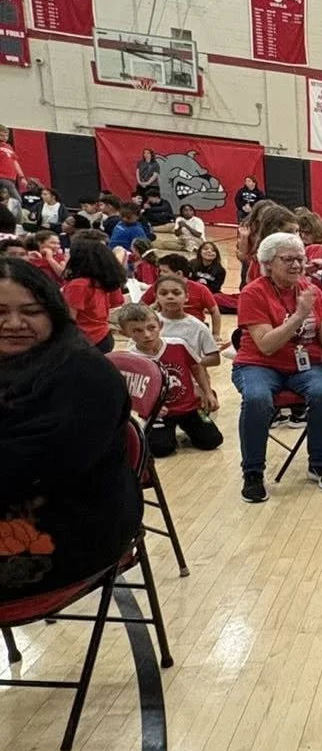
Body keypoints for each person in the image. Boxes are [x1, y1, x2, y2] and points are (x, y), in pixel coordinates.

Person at [0, 257, 141, 598]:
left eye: (31, 311)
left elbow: (27, 469)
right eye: (0, 312)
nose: (13, 323)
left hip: (71, 525)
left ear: (53, 311)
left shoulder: (83, 375)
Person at [233, 232, 322, 502]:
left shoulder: (311, 291)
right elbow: (266, 345)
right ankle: (253, 472)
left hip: (304, 364)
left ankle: (319, 462)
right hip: (258, 364)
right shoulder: (253, 293)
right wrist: (299, 315)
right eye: (288, 259)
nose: (296, 265)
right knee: (257, 399)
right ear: (268, 263)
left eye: (300, 259)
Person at [116, 301, 222, 455]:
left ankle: (189, 429)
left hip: (189, 407)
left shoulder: (178, 345)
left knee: (212, 441)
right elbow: (131, 392)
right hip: (158, 413)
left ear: (160, 325)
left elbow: (197, 367)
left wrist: (208, 393)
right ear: (125, 333)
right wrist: (147, 408)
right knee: (161, 450)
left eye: (151, 327)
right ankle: (165, 433)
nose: (146, 334)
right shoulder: (131, 359)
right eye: (137, 331)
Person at [60, 232, 125, 352]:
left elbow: (69, 319)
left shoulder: (78, 284)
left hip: (85, 339)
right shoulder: (106, 279)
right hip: (103, 335)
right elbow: (116, 302)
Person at [153, 270, 223, 371]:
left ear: (186, 297)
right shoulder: (148, 324)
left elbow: (215, 359)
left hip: (189, 380)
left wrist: (189, 364)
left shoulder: (198, 326)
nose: (170, 297)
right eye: (164, 293)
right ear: (156, 297)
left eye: (176, 293)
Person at [0, 126, 21, 206]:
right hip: (2, 176)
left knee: (6, 200)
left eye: (6, 136)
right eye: (1, 135)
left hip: (11, 178)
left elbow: (15, 161)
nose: (4, 138)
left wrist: (21, 177)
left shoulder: (9, 147)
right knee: (17, 200)